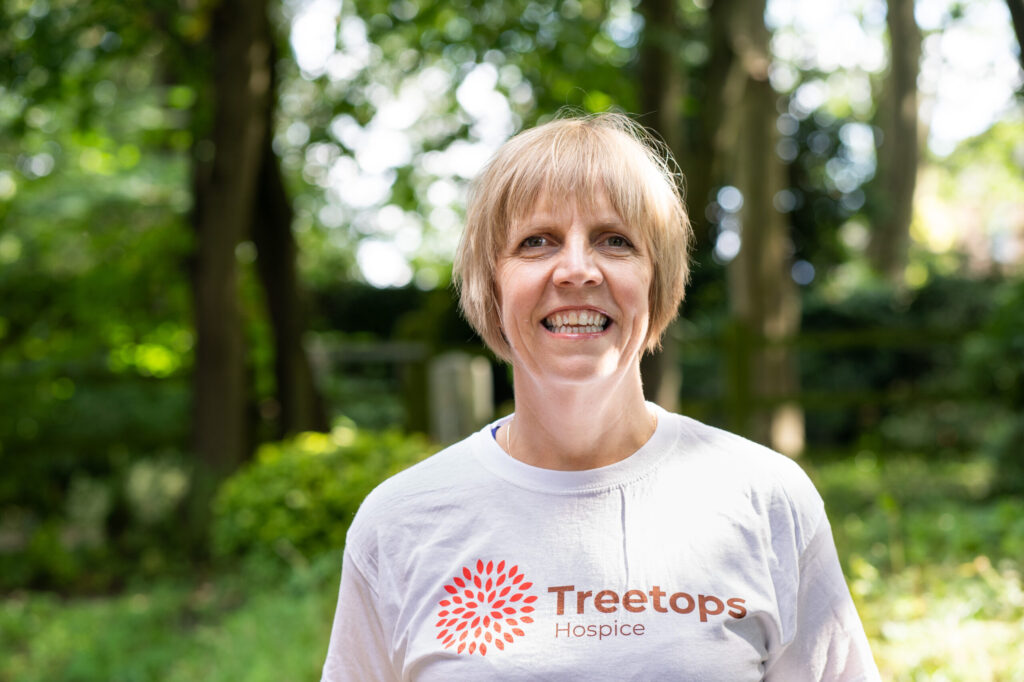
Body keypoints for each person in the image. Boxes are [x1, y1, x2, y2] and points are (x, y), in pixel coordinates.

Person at [321, 112, 880, 681]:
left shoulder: (768, 501)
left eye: (615, 241)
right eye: (536, 242)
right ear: (490, 284)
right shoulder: (400, 525)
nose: (577, 270)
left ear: (657, 280)